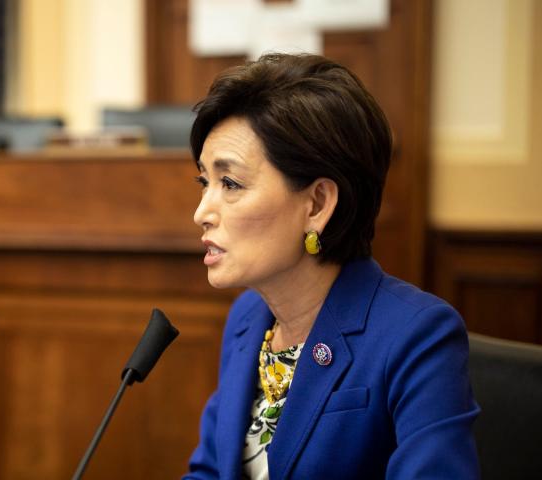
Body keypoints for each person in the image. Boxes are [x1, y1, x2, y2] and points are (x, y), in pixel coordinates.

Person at [182, 53, 479, 479]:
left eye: (230, 183)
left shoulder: (417, 337)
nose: (202, 212)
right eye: (204, 182)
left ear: (317, 204)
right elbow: (210, 471)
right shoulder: (247, 319)